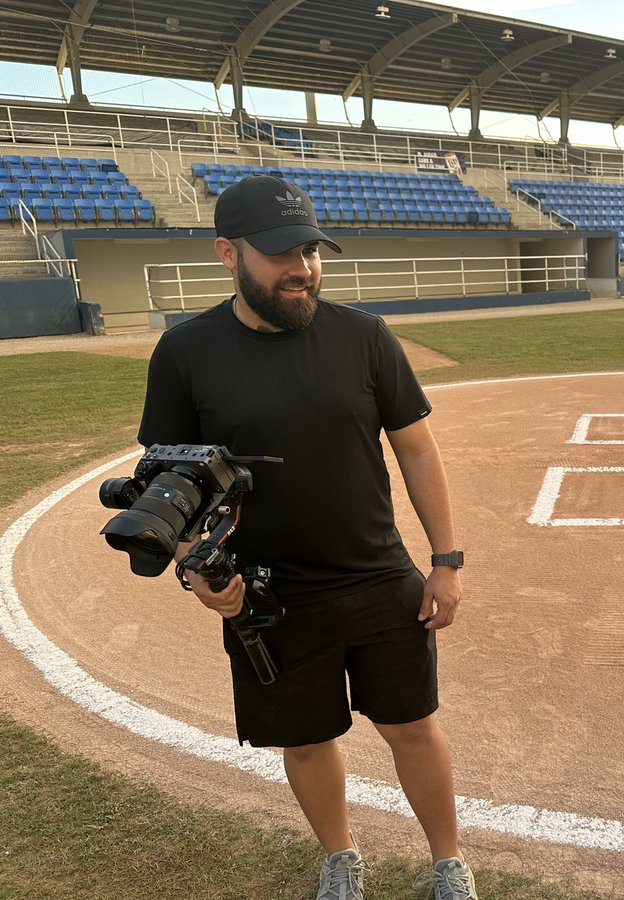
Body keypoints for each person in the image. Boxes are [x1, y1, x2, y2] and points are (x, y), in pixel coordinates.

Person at [137, 175, 480, 900]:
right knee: (306, 738)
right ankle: (340, 857)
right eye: (280, 255)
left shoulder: (364, 337)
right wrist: (196, 572)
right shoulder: (185, 352)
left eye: (311, 251)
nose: (303, 268)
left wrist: (444, 562)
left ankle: (448, 863)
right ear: (228, 254)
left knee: (413, 727)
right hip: (267, 594)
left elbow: (417, 449)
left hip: (377, 575)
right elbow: (170, 485)